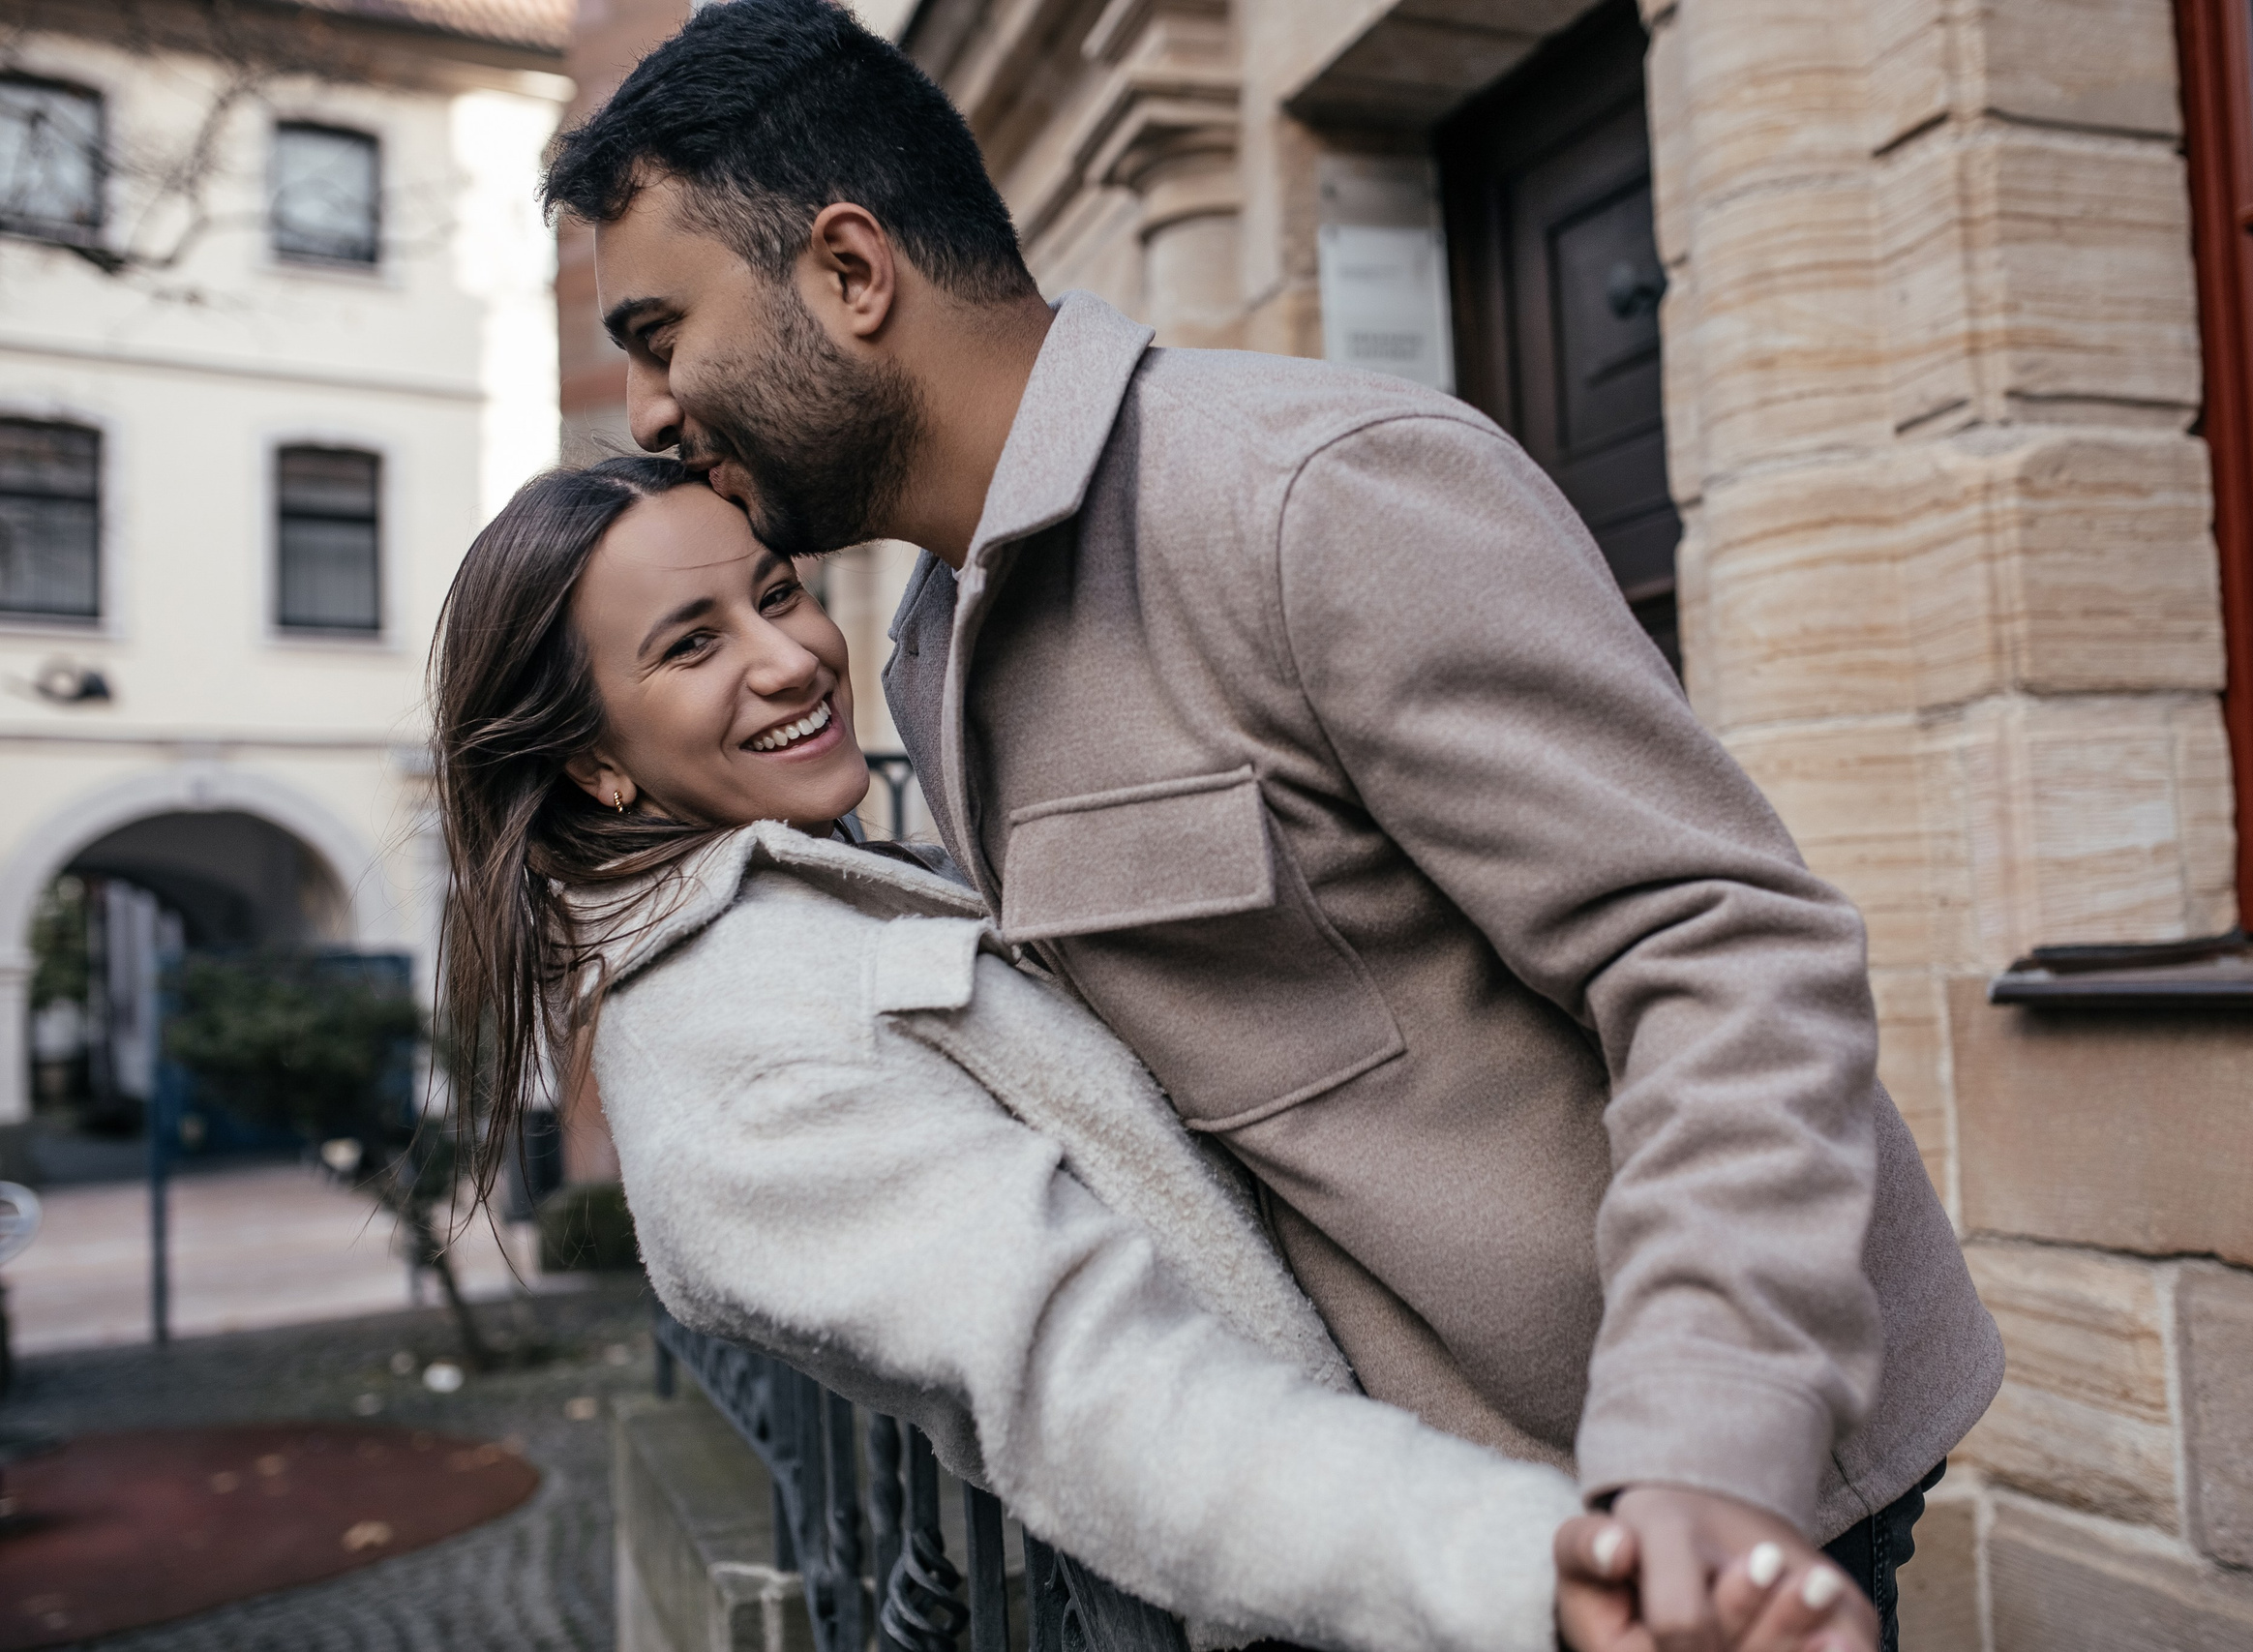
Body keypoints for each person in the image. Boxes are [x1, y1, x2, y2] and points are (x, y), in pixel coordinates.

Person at [543, 4, 2007, 1649]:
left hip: (1704, 1502)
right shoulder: (934, 646)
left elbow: (1726, 953)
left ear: (850, 272)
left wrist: (1699, 1468)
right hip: (1443, 1529)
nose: (652, 406)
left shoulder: (1307, 495)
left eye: (666, 331)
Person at [429, 455, 1590, 1652]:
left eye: (775, 596)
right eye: (689, 646)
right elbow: (1102, 1396)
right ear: (592, 764)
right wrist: (1538, 1573)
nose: (789, 659)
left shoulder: (819, 902)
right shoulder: (738, 1051)